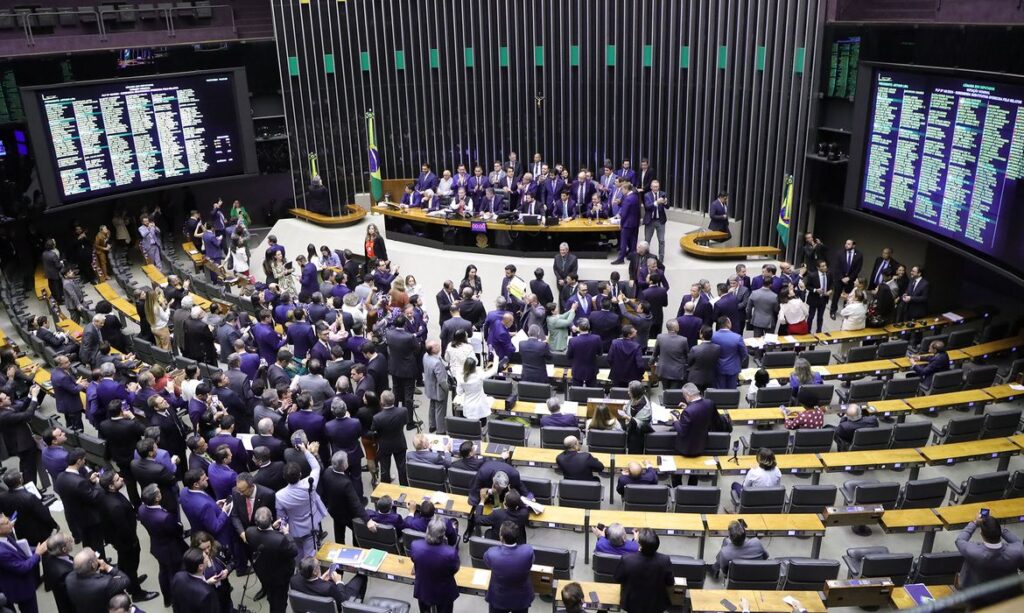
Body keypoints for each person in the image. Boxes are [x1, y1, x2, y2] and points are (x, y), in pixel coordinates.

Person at [955, 514, 1024, 604]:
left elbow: (959, 540)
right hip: (1007, 594)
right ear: (999, 533)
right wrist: (997, 528)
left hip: (976, 596)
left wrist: (974, 523)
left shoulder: (972, 551)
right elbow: (1018, 542)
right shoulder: (1017, 551)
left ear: (981, 534)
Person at [138, 485, 187, 608]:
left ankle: (167, 599)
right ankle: (177, 602)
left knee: (163, 572)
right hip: (172, 550)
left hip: (157, 546)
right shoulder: (164, 517)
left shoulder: (141, 509)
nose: (161, 492)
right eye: (159, 492)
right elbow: (177, 530)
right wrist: (179, 525)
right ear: (157, 498)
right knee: (175, 575)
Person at [275, 445, 327, 560]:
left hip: (294, 530)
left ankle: (301, 572)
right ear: (300, 474)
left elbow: (281, 517)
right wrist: (305, 451)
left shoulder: (279, 495)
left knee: (298, 555)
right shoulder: (309, 485)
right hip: (311, 526)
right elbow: (316, 467)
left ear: (284, 477)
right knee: (310, 556)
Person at [54, 448, 106, 555]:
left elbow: (77, 490)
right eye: (84, 460)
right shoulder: (79, 482)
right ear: (79, 461)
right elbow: (94, 497)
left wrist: (89, 482)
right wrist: (98, 484)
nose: (85, 461)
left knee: (87, 542)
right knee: (97, 544)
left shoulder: (60, 476)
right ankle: (101, 563)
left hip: (77, 518)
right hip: (90, 519)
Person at [244, 507, 297, 613]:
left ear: (255, 521)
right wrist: (286, 533)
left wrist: (272, 527)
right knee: (279, 603)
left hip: (262, 573)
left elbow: (264, 537)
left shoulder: (249, 532)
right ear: (272, 518)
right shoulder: (280, 539)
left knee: (271, 595)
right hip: (280, 577)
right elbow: (294, 551)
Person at [614, 528, 674, 613]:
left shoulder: (627, 560)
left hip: (631, 605)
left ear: (640, 545)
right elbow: (670, 582)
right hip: (656, 605)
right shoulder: (665, 560)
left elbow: (617, 579)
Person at [409, 517, 461, 613]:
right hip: (443, 591)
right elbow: (455, 569)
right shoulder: (450, 552)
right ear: (443, 535)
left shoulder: (415, 545)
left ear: (427, 530)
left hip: (423, 588)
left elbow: (414, 559)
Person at [483, 520, 535, 613]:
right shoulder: (528, 551)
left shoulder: (492, 553)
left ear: (501, 537)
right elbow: (530, 563)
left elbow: (488, 563)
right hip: (521, 598)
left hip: (499, 598)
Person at [64, 547, 133, 613]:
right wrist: (107, 566)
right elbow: (125, 580)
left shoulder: (69, 578)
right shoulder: (105, 583)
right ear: (93, 565)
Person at [319, 451, 366, 544]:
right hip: (348, 514)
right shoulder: (346, 483)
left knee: (339, 534)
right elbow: (355, 503)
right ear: (344, 465)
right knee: (356, 531)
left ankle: (339, 548)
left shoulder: (327, 472)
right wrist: (367, 519)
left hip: (334, 511)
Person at [0, 470, 58, 547]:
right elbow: (44, 515)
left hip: (20, 531)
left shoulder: (2, 497)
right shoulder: (30, 497)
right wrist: (55, 525)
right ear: (20, 480)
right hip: (39, 532)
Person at [0, 385, 42, 488]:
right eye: (5, 398)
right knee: (29, 470)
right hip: (23, 445)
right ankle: (33, 493)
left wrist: (29, 395)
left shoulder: (5, 409)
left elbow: (21, 409)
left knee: (25, 468)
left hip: (20, 443)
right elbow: (27, 415)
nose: (9, 397)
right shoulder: (4, 415)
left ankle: (32, 490)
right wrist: (35, 397)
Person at [290, 556, 367, 609]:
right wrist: (339, 582)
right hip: (342, 596)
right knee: (362, 576)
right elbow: (343, 601)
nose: (319, 566)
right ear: (314, 572)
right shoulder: (328, 587)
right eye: (318, 565)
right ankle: (357, 606)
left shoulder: (294, 580)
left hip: (311, 605)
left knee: (335, 571)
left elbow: (311, 587)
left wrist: (320, 579)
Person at [371, 390, 410, 485]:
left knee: (384, 470)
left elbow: (374, 430)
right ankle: (404, 488)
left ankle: (386, 490)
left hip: (384, 445)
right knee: (402, 469)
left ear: (382, 402)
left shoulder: (377, 417)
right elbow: (405, 422)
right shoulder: (403, 411)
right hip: (399, 442)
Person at [170, 548, 223, 613]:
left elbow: (175, 603)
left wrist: (206, 583)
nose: (208, 557)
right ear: (201, 566)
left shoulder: (178, 576)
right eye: (206, 556)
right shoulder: (208, 593)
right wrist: (205, 585)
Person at [673, 383, 714, 459]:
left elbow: (682, 431)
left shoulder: (687, 412)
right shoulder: (709, 403)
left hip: (687, 449)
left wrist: (675, 420)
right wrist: (688, 407)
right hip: (702, 443)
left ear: (688, 395)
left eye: (684, 396)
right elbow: (699, 412)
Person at [456, 356, 500, 426]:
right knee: (482, 427)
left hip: (468, 407)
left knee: (471, 429)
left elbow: (459, 392)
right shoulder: (479, 376)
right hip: (480, 408)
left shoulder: (460, 377)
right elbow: (494, 370)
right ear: (474, 367)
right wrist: (496, 357)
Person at [831, 239, 863, 317]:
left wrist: (849, 278)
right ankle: (833, 311)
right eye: (846, 243)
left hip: (850, 280)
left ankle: (846, 311)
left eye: (848, 244)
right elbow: (837, 267)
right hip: (839, 279)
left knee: (848, 296)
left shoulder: (859, 255)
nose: (846, 245)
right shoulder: (840, 253)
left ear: (853, 246)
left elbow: (858, 269)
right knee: (836, 295)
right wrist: (842, 278)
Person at [566, 319, 601, 387]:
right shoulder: (597, 338)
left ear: (578, 327)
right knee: (592, 392)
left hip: (577, 370)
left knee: (576, 393)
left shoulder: (573, 341)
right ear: (589, 327)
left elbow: (569, 356)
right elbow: (600, 353)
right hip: (592, 370)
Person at [624, 381, 653, 454]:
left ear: (635, 393)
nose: (628, 392)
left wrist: (628, 418)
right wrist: (626, 407)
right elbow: (631, 404)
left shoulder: (645, 408)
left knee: (634, 451)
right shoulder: (636, 397)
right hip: (631, 428)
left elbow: (642, 424)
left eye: (629, 391)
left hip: (639, 434)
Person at [804, 260, 832, 334]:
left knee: (820, 317)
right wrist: (815, 290)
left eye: (825, 265)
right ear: (818, 268)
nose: (825, 267)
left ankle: (819, 331)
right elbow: (807, 286)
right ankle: (808, 330)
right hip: (814, 299)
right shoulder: (812, 275)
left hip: (823, 299)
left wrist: (830, 290)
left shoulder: (829, 274)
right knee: (811, 316)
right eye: (822, 266)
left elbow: (831, 284)